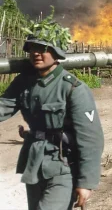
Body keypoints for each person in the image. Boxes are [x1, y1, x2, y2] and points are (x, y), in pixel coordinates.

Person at [0, 25, 104, 210]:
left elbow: (90, 139)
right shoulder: (24, 82)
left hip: (63, 167)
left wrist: (86, 182)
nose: (36, 54)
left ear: (56, 53)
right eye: (32, 49)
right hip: (34, 164)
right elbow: (3, 107)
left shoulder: (73, 88)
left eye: (43, 49)